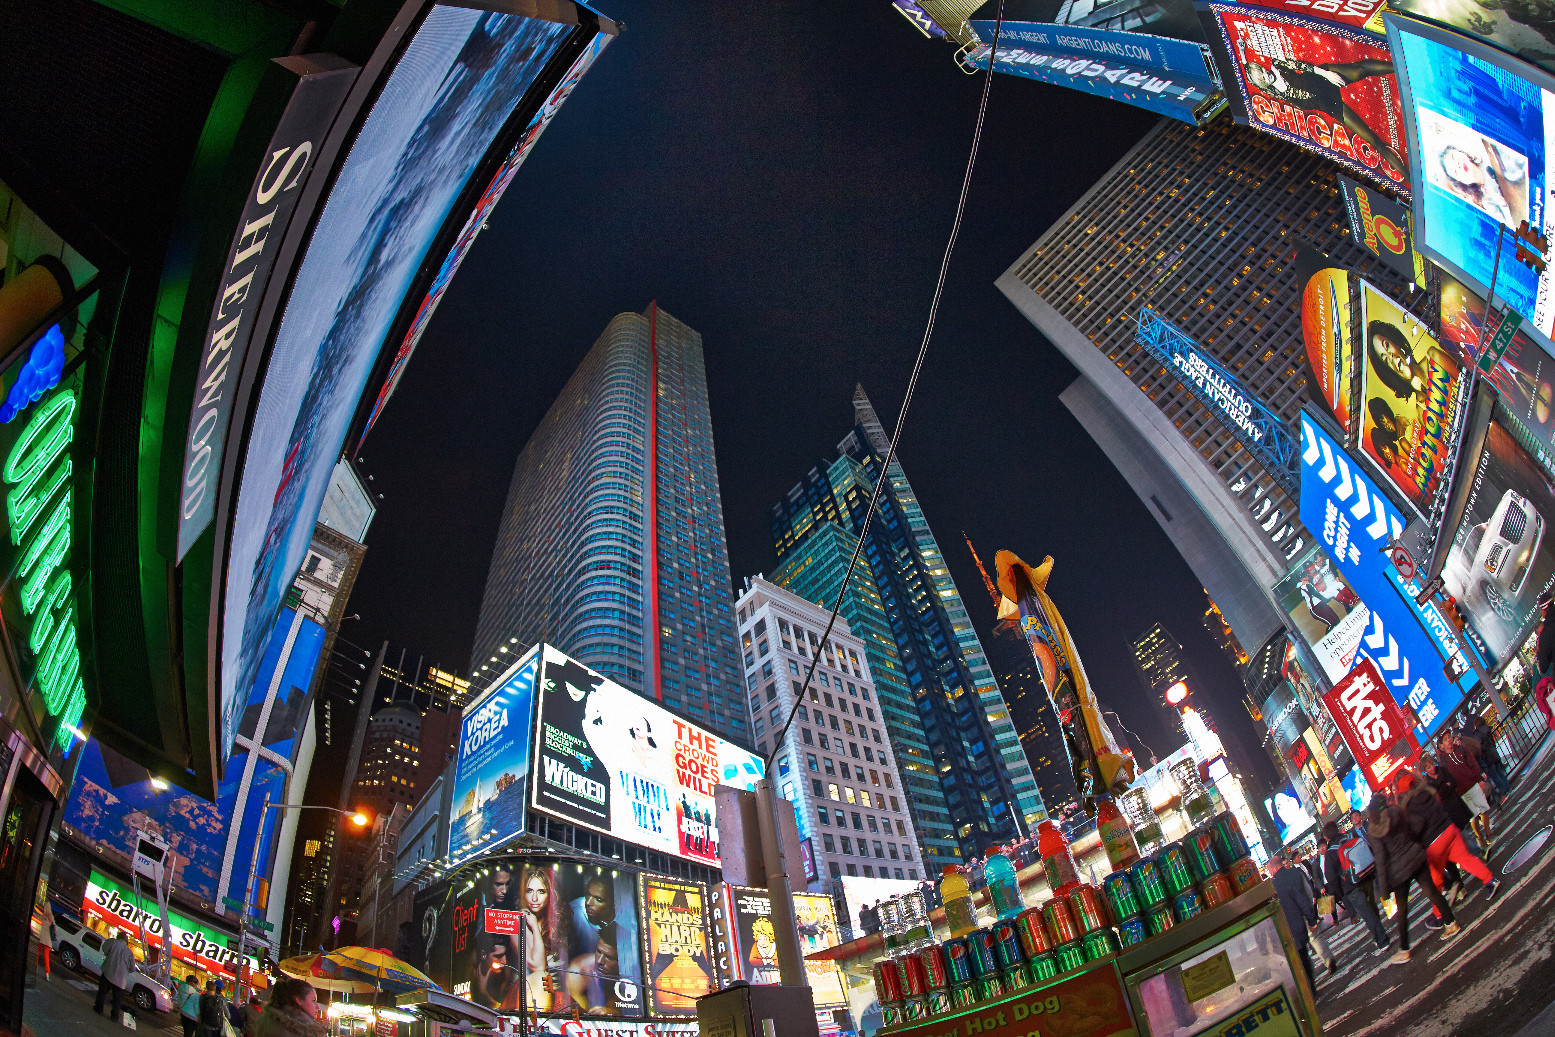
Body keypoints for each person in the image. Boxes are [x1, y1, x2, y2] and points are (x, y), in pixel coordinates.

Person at [1241, 56, 1406, 176]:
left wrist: (1326, 74)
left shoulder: (1276, 65)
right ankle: (1410, 180)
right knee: (1375, 142)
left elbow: (1302, 65)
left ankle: (1405, 67)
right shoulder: (1271, 90)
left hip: (1321, 78)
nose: (1265, 74)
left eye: (1262, 70)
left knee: (1362, 68)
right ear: (1261, 83)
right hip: (1327, 103)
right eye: (1262, 77)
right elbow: (1251, 80)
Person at [1367, 795, 1458, 964]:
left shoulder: (1376, 829)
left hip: (1399, 872)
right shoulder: (1397, 811)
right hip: (1416, 857)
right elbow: (1417, 823)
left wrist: (1384, 890)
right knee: (1432, 892)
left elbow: (1380, 860)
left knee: (1402, 911)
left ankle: (1404, 949)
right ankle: (1451, 923)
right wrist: (1415, 842)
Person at [1322, 821, 1388, 952]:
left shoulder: (1330, 853)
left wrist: (1342, 893)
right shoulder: (1351, 836)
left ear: (1326, 838)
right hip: (1365, 876)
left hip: (1350, 887)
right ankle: (1379, 934)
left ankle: (1382, 941)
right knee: (1371, 907)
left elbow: (1331, 877)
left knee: (1367, 913)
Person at [1269, 853, 1320, 991]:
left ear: (1273, 869)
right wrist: (1312, 919)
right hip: (1298, 926)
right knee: (1304, 956)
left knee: (1294, 962)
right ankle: (1311, 986)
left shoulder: (1273, 888)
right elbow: (1303, 900)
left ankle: (1305, 988)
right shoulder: (1294, 874)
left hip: (1284, 931)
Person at [1441, 731, 1494, 848]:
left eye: (1449, 737)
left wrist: (1479, 778)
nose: (1448, 740)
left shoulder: (1461, 748)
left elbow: (1473, 763)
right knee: (1473, 817)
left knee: (1484, 810)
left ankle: (1488, 833)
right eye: (1445, 739)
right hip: (1461, 792)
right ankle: (1479, 836)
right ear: (1442, 745)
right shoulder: (1443, 762)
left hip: (1473, 784)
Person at [566, 922, 624, 1015]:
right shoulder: (579, 970)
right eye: (599, 951)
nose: (600, 961)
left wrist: (612, 1013)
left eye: (609, 957)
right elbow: (578, 1015)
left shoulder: (637, 976)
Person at [1464, 711, 1512, 803]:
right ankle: (1508, 788)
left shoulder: (1478, 734)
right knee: (1500, 773)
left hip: (1488, 757)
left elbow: (1480, 746)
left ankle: (1504, 792)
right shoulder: (1486, 730)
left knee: (1495, 776)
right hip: (1494, 753)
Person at [255, 978, 324, 1037]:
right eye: (313, 1000)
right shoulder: (307, 1031)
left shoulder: (267, 1021)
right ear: (299, 1000)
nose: (317, 1007)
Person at [94, 928, 135, 1022]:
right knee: (117, 1000)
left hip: (108, 972)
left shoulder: (112, 942)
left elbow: (104, 949)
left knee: (102, 992)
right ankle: (114, 1016)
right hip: (121, 980)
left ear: (118, 937)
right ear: (126, 941)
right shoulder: (129, 953)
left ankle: (99, 1008)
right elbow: (132, 968)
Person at [570, 874, 616, 956]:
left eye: (598, 899)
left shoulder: (622, 921)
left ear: (613, 904)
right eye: (588, 894)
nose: (588, 903)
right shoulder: (574, 911)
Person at [36, 900, 55, 981]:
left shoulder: (41, 915)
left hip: (40, 937)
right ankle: (47, 974)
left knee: (36, 953)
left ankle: (35, 967)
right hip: (47, 941)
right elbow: (54, 929)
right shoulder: (51, 918)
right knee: (46, 957)